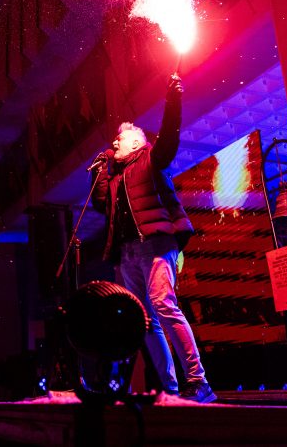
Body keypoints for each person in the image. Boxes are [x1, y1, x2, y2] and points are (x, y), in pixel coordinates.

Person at [91, 72, 216, 403]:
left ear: (135, 142)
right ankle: (171, 389)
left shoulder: (150, 158)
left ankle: (198, 381)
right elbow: (100, 203)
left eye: (119, 138)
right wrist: (104, 168)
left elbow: (170, 138)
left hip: (157, 245)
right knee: (143, 319)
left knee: (163, 304)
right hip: (128, 254)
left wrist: (173, 100)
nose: (113, 142)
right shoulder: (116, 176)